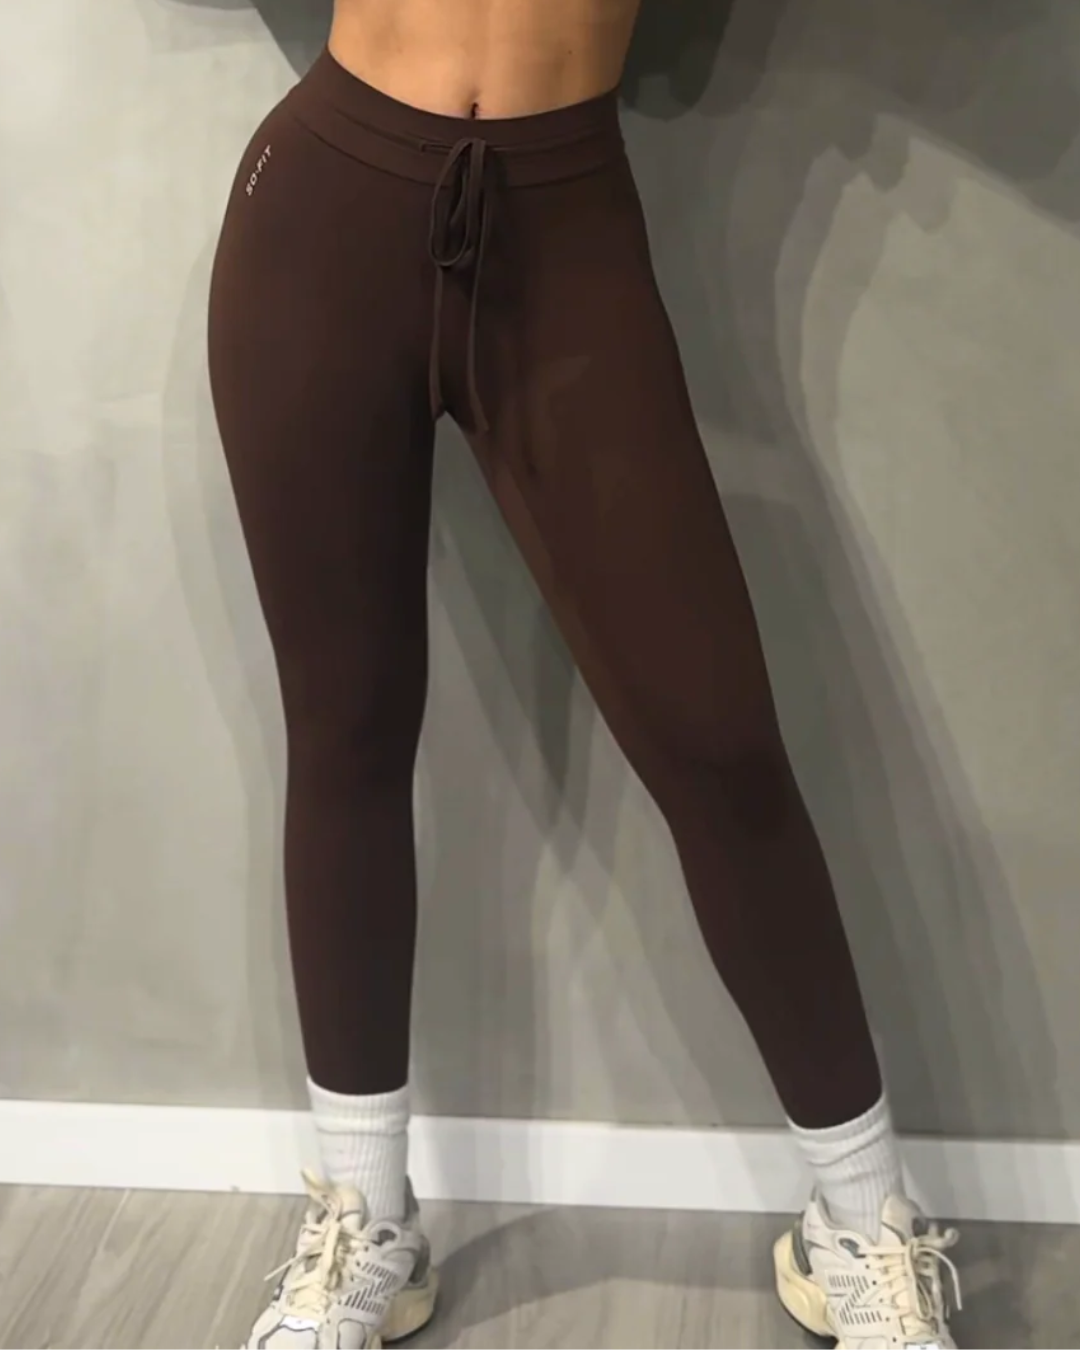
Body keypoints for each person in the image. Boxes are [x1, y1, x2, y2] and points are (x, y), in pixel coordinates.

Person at [207, 0, 962, 1345]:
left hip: (565, 237)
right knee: (346, 727)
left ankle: (861, 1220)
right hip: (323, 214)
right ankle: (364, 1213)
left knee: (719, 741)